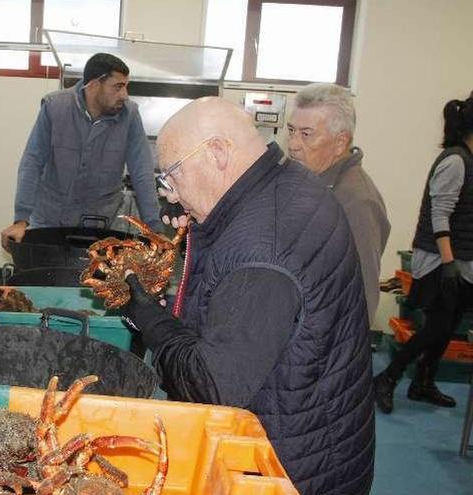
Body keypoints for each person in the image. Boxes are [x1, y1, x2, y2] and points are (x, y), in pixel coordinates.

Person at [121, 98, 374, 494]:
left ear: (218, 153)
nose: (169, 195)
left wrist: (148, 317)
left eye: (172, 175)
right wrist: (205, 231)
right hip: (318, 435)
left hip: (290, 466)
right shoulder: (288, 183)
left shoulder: (263, 252)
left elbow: (210, 385)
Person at [373, 92, 473, 413]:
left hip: (462, 261)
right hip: (441, 261)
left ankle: (423, 383)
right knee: (436, 327)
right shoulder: (456, 160)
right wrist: (448, 265)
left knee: (449, 324)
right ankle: (388, 377)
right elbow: (440, 212)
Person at [0, 53, 160, 249]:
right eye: (118, 86)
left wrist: (155, 230)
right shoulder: (55, 107)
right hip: (50, 219)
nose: (124, 95)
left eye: (126, 86)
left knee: (94, 277)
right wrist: (21, 220)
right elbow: (32, 163)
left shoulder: (130, 115)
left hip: (99, 223)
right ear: (94, 85)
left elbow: (142, 172)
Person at [288, 83, 390, 327]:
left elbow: (362, 297)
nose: (292, 144)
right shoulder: (311, 184)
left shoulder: (357, 201)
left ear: (340, 142)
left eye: (306, 134)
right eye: (291, 131)